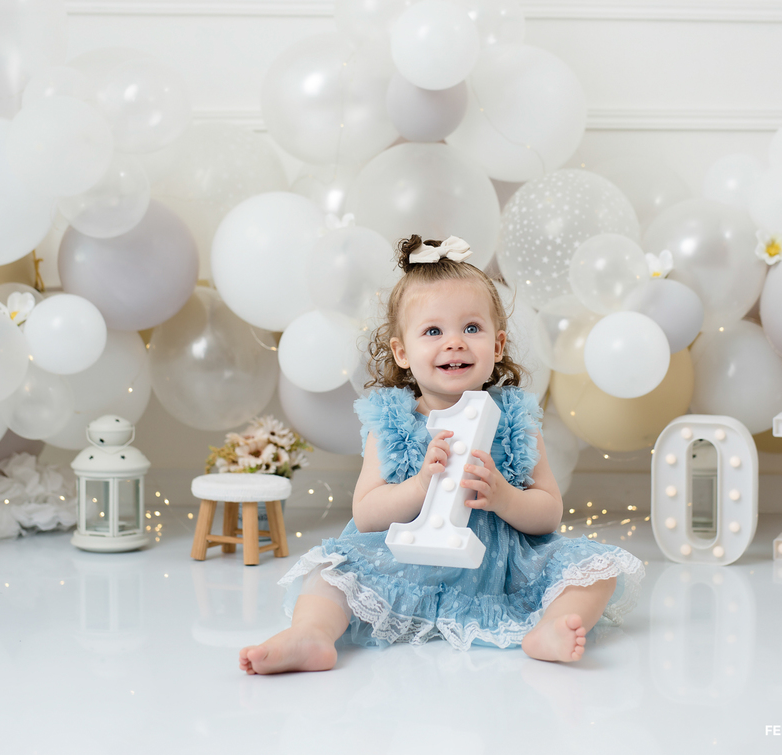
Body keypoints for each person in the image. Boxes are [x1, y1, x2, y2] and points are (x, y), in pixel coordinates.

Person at [239, 235, 643, 674]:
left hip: (500, 567)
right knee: (332, 570)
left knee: (597, 569)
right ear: (402, 352)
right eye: (433, 331)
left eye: (472, 328)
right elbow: (367, 513)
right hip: (406, 561)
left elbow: (549, 514)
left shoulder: (514, 418)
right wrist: (418, 485)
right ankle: (311, 635)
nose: (454, 342)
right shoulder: (392, 421)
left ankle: (548, 629)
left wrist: (504, 497)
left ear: (498, 344)